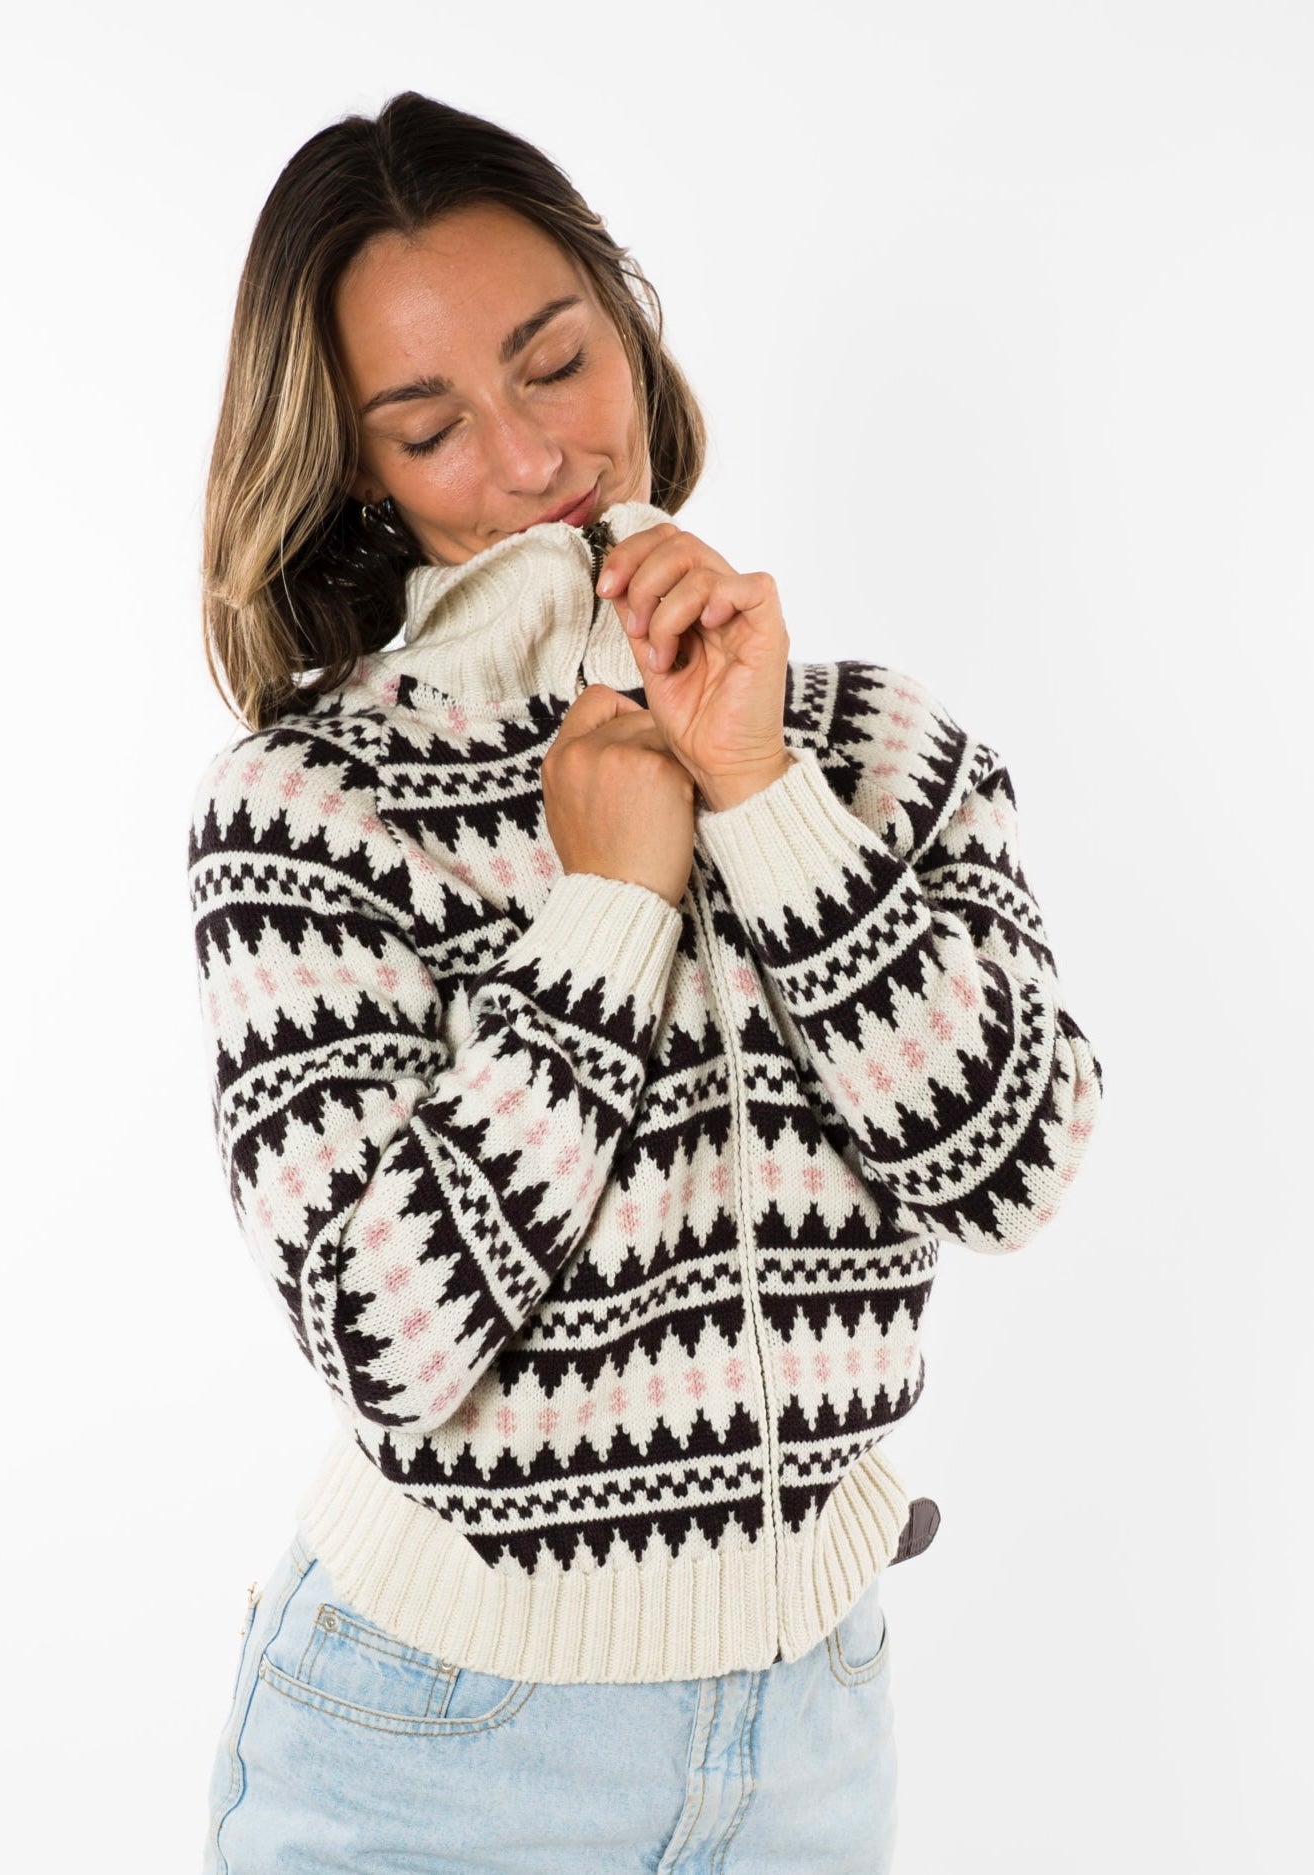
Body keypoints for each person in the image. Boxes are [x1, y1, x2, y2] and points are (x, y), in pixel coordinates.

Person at [188, 89, 1104, 1875]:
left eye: (556, 363)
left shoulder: (876, 749)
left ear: (628, 327)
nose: (534, 456)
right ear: (361, 471)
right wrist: (606, 910)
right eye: (431, 427)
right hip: (427, 1753)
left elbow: (1013, 1170)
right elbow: (385, 1342)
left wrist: (762, 797)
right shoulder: (307, 810)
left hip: (813, 1737)